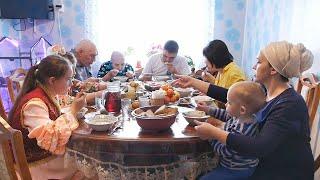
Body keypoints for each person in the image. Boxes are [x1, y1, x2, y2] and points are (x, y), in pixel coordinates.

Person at [173, 41, 314, 179]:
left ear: (273, 70)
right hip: (256, 164)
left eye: (258, 62)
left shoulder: (289, 104)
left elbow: (260, 147)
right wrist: (193, 82)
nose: (253, 66)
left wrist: (215, 133)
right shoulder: (266, 91)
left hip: (282, 171)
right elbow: (232, 97)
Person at [8, 55, 86, 179]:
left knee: (84, 157)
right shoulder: (34, 103)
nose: (71, 83)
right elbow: (51, 137)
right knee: (88, 164)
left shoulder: (45, 92)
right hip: (33, 167)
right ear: (52, 80)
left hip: (40, 157)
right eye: (68, 79)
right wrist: (73, 110)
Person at [197, 81, 266, 179]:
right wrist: (207, 109)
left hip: (237, 170)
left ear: (242, 110)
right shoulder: (241, 116)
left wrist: (211, 136)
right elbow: (226, 115)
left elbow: (224, 151)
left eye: (229, 102)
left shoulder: (243, 130)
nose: (225, 104)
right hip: (230, 164)